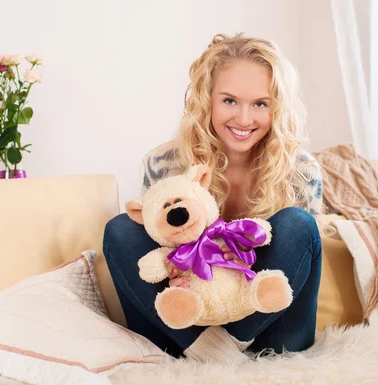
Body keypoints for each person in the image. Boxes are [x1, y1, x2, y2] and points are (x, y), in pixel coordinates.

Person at [103, 32, 323, 366]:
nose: (244, 119)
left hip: (271, 331)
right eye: (230, 101)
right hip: (187, 330)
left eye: (260, 104)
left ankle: (221, 355)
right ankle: (215, 353)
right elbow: (156, 254)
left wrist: (238, 256)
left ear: (277, 108)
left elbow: (295, 261)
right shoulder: (163, 164)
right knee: (120, 229)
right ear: (207, 99)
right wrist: (180, 265)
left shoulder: (302, 170)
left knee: (299, 225)